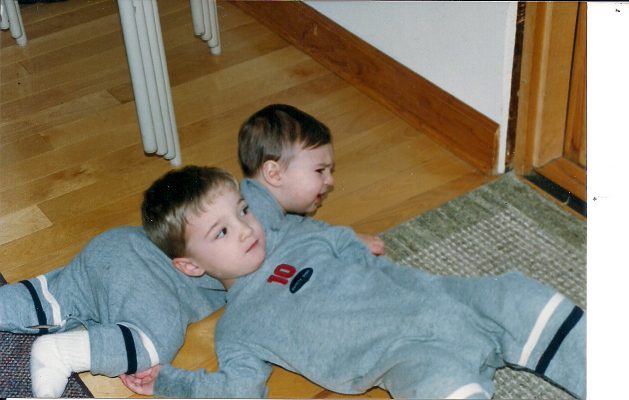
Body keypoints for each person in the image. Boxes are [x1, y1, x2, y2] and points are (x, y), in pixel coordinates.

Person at [121, 165, 586, 399]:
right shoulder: (238, 326)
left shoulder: (296, 235)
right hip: (404, 356)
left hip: (444, 299)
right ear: (191, 266)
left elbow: (336, 237)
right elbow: (238, 390)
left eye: (242, 211)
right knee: (439, 388)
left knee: (518, 296)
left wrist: (355, 243)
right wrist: (169, 382)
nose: (245, 229)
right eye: (221, 232)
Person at [0, 179, 230, 397]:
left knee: (51, 299)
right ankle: (61, 353)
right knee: (152, 343)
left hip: (116, 244)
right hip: (146, 280)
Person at [237, 103, 385, 256]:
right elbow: (298, 243)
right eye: (320, 170)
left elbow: (303, 229)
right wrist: (344, 241)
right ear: (274, 174)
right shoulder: (255, 219)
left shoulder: (267, 205)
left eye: (330, 171)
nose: (330, 181)